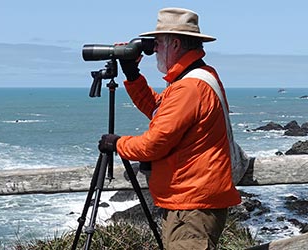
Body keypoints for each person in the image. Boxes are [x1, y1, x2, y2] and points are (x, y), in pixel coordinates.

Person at [97, 7, 241, 249]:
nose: (154, 50)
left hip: (192, 205)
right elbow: (160, 112)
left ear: (175, 44)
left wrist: (118, 144)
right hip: (192, 202)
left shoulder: (189, 87)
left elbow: (155, 143)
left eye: (158, 43)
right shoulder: (199, 77)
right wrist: (133, 76)